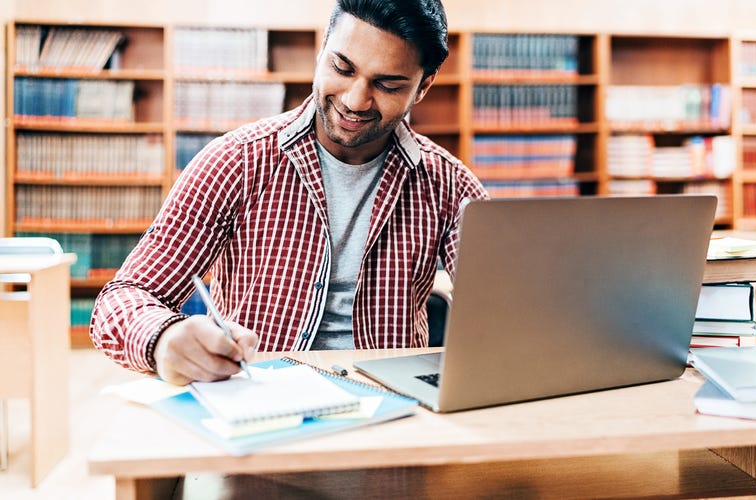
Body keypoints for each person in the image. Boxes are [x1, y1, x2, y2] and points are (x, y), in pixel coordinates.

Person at [89, 0, 488, 385]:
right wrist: (163, 339)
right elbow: (124, 297)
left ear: (423, 87)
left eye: (387, 85)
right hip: (260, 407)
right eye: (342, 68)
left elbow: (510, 313)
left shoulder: (449, 185)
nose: (355, 100)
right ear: (321, 52)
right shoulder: (236, 161)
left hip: (398, 411)